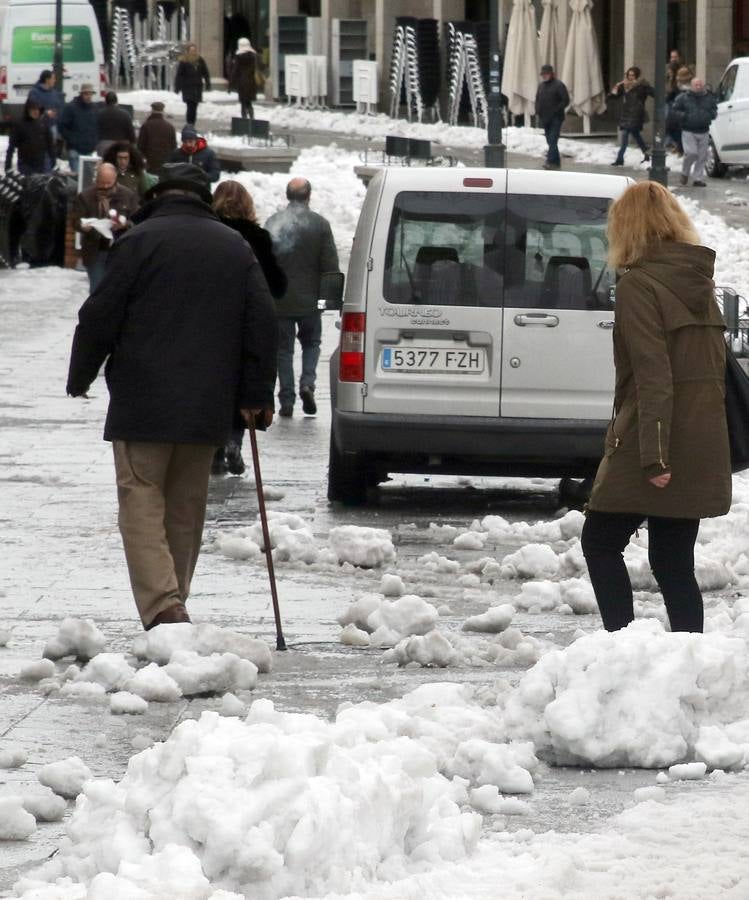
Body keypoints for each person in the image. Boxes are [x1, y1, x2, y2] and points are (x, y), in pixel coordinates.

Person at [66, 163, 278, 631]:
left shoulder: (137, 241)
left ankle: (164, 606)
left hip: (143, 397)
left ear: (157, 195)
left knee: (141, 498)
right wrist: (257, 394)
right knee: (186, 506)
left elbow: (100, 314)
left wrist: (81, 375)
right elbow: (262, 322)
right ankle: (174, 600)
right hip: (207, 401)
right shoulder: (234, 245)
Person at [581, 181, 731, 634]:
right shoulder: (698, 282)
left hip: (654, 436)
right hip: (699, 438)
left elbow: (653, 376)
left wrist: (654, 455)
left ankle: (621, 644)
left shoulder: (638, 285)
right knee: (672, 560)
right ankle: (688, 656)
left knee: (599, 541)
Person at [211, 179, 287, 475]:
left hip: (212, 321)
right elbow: (277, 285)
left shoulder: (208, 233)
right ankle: (234, 440)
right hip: (247, 321)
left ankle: (215, 447)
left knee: (216, 383)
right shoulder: (258, 237)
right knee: (244, 381)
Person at [266, 178, 340, 418]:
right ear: (309, 196)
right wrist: (329, 299)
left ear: (288, 195)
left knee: (283, 351)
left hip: (280, 300)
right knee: (311, 344)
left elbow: (264, 262)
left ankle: (286, 400)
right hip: (310, 301)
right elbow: (330, 265)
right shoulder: (320, 224)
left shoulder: (273, 223)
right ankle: (307, 383)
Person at [74, 162, 138, 291]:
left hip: (120, 249)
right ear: (96, 179)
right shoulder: (85, 196)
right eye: (101, 183)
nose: (105, 186)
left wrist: (125, 224)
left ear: (115, 179)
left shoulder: (128, 195)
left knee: (117, 290)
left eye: (108, 183)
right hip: (95, 250)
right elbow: (76, 221)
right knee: (97, 289)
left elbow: (137, 221)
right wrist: (82, 226)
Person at [672, 77, 718, 187]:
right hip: (688, 130)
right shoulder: (683, 97)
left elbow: (714, 109)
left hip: (704, 129)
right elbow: (675, 110)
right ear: (691, 86)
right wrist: (684, 116)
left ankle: (698, 178)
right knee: (691, 153)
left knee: (702, 156)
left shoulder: (709, 97)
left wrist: (710, 115)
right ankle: (685, 173)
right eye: (696, 85)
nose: (698, 87)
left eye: (700, 85)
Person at [610, 67, 654, 166]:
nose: (630, 77)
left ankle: (620, 159)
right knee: (636, 136)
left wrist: (648, 86)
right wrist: (615, 89)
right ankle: (646, 154)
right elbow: (614, 96)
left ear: (637, 76)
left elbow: (654, 93)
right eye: (629, 75)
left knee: (625, 135)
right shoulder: (624, 85)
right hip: (627, 113)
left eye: (633, 75)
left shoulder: (642, 86)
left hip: (637, 114)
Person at [5, 98, 55, 175]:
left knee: (46, 181)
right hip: (26, 163)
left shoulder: (43, 123)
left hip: (42, 162)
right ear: (28, 110)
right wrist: (8, 165)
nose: (36, 112)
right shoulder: (19, 124)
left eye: (38, 109)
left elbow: (50, 142)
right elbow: (11, 146)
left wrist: (53, 158)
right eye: (33, 109)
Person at [535, 64, 569, 171]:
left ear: (552, 74)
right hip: (545, 117)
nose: (544, 76)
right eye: (543, 74)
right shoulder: (541, 86)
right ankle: (556, 161)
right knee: (550, 140)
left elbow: (565, 100)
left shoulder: (559, 85)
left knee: (553, 140)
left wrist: (556, 109)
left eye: (546, 74)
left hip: (556, 118)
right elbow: (537, 99)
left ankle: (549, 162)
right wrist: (538, 110)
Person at [60, 83, 98, 173]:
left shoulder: (95, 108)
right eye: (86, 94)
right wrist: (71, 139)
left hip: (89, 150)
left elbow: (97, 127)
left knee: (87, 177)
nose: (88, 96)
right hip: (75, 149)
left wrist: (95, 140)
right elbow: (62, 125)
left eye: (90, 94)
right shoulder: (71, 107)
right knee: (77, 176)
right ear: (81, 94)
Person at [175, 42, 211, 126]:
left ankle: (192, 123)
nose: (193, 52)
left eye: (194, 50)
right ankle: (189, 123)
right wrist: (177, 87)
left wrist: (208, 83)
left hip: (197, 87)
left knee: (195, 106)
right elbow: (179, 75)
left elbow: (205, 72)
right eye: (191, 50)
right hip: (187, 87)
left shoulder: (200, 60)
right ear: (188, 51)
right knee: (190, 105)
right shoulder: (184, 61)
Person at [137, 101, 177, 175]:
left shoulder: (146, 125)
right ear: (163, 111)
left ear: (152, 110)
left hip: (150, 163)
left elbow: (140, 146)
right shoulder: (170, 127)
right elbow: (173, 147)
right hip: (165, 163)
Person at [27, 69, 63, 143]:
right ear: (47, 80)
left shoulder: (55, 93)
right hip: (38, 127)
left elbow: (59, 108)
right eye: (53, 78)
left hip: (52, 126)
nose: (55, 81)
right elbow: (32, 108)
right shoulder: (34, 92)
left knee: (51, 147)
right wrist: (46, 113)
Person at [96, 91, 136, 156]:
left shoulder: (99, 114)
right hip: (121, 146)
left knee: (106, 162)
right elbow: (131, 133)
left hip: (103, 146)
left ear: (105, 102)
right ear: (116, 102)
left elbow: (95, 130)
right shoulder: (125, 115)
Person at [229, 37, 257, 120]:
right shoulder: (254, 56)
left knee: (243, 103)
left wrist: (231, 84)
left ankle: (244, 120)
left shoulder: (239, 56)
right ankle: (252, 118)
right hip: (251, 82)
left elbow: (235, 70)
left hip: (242, 82)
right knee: (249, 103)